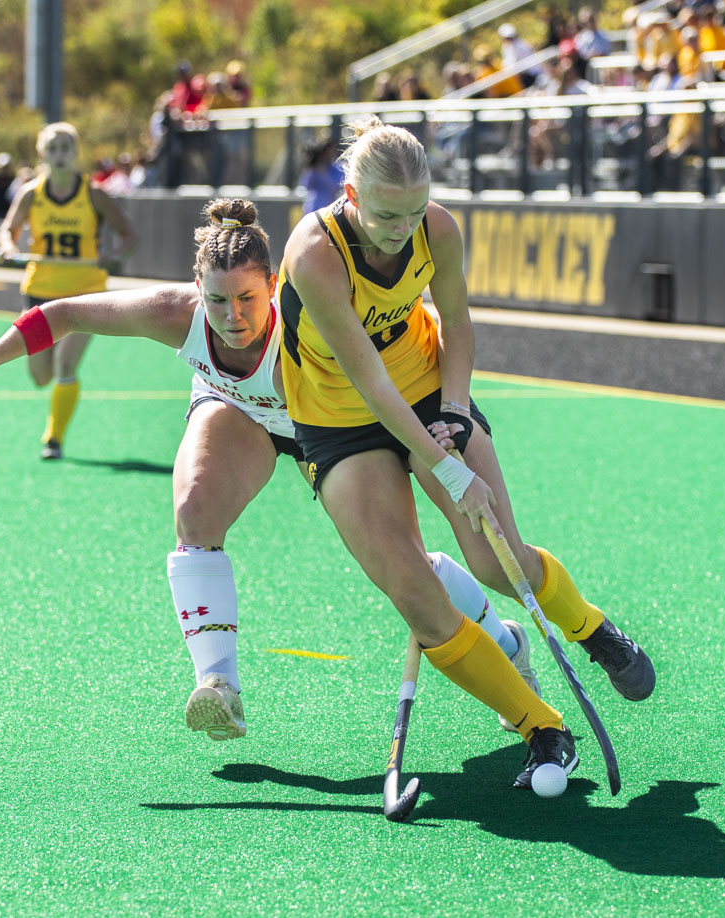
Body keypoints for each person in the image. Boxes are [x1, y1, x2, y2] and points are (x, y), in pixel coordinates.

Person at [0, 198, 541, 744]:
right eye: (218, 299)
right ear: (197, 287)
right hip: (241, 412)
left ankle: (505, 640)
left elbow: (389, 372)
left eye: (248, 298)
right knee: (193, 510)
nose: (232, 316)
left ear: (274, 285)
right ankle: (218, 688)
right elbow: (63, 313)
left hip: (333, 426)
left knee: (406, 570)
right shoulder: (175, 313)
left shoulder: (315, 316)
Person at [277, 117, 655, 794]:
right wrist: (446, 465)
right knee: (415, 593)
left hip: (424, 388)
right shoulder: (316, 252)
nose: (402, 229)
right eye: (388, 215)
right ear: (351, 194)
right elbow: (366, 377)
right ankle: (541, 726)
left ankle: (591, 628)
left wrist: (454, 412)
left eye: (414, 212)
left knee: (492, 556)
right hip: (338, 418)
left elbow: (456, 320)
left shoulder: (438, 230)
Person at [0, 121, 139, 461]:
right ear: (43, 153)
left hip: (85, 294)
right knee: (40, 376)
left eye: (66, 148)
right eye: (53, 148)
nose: (59, 155)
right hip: (40, 291)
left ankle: (54, 439)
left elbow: (129, 237)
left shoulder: (94, 194)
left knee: (64, 364)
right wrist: (7, 247)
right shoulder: (32, 193)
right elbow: (8, 230)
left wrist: (115, 258)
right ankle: (54, 428)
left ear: (75, 154)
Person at [299, 135, 344, 214]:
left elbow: (335, 188)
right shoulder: (315, 167)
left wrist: (323, 172)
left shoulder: (338, 167)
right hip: (313, 208)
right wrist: (311, 167)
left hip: (330, 211)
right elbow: (306, 185)